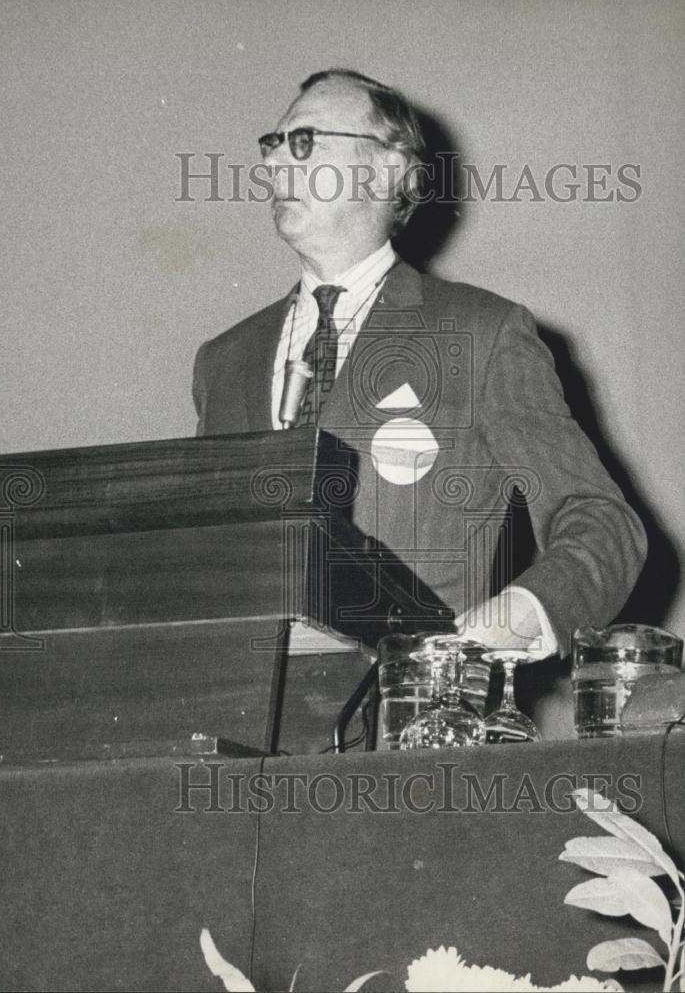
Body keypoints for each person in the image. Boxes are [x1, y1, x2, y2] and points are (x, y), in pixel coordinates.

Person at [192, 68, 647, 660]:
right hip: (245, 734)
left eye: (304, 142)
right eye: (272, 145)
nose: (275, 165)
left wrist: (522, 615)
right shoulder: (223, 361)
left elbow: (602, 523)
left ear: (388, 169)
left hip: (411, 725)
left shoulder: (483, 333)